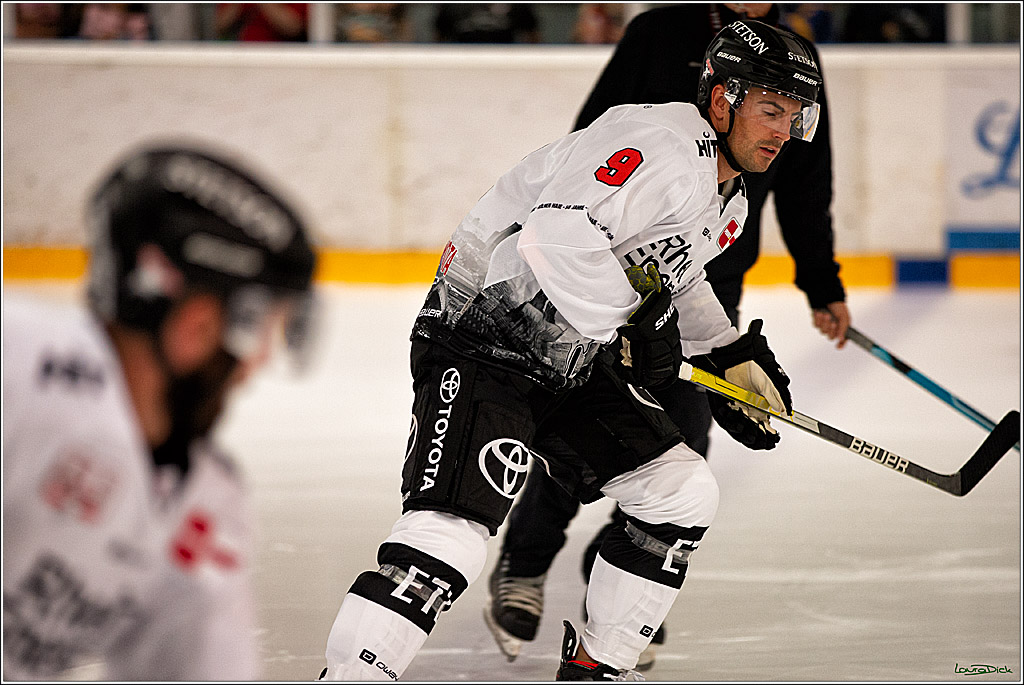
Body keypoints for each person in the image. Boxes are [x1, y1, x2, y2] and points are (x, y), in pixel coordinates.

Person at [320, 19, 821, 680]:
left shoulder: (727, 199)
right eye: (770, 110)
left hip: (572, 359)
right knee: (451, 532)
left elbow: (677, 273)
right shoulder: (660, 144)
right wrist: (638, 329)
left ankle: (595, 670)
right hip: (485, 340)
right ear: (723, 99)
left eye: (795, 116)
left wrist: (727, 351)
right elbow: (553, 238)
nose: (783, 131)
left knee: (679, 492)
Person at [485, 3, 851, 671]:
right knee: (585, 420)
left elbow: (805, 181)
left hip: (702, 270)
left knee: (681, 434)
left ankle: (618, 580)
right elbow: (592, 137)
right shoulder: (658, 31)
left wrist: (817, 282)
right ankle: (525, 563)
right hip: (603, 268)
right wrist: (603, 293)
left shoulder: (795, 58)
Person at [2, 143, 317, 680]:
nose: (253, 364)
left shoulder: (205, 506)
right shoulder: (20, 366)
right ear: (193, 323)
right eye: (251, 325)